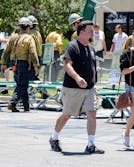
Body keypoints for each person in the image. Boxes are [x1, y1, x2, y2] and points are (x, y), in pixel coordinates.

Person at [49, 21, 104, 154]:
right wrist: (77, 78)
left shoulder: (91, 48)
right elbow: (68, 65)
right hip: (73, 88)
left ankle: (90, 145)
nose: (92, 32)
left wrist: (93, 82)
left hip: (89, 89)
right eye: (90, 30)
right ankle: (54, 138)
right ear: (82, 32)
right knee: (67, 115)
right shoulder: (73, 47)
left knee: (92, 113)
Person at [1, 17, 39, 112]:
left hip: (14, 64)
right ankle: (13, 103)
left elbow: (6, 51)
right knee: (22, 85)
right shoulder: (29, 38)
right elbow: (33, 53)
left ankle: (26, 106)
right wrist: (36, 65)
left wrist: (3, 63)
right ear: (28, 28)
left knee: (21, 83)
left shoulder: (13, 37)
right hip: (23, 64)